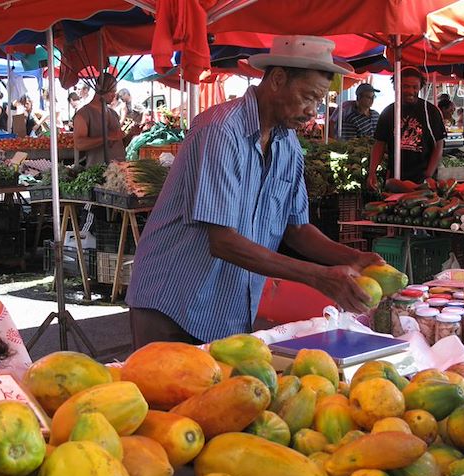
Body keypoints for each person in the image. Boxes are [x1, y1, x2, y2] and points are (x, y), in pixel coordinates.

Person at [126, 35, 384, 348]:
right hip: (172, 301)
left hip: (227, 307)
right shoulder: (220, 130)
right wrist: (318, 276)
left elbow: (298, 228)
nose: (312, 111)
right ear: (277, 80)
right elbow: (223, 242)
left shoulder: (288, 145)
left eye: (317, 101)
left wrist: (354, 258)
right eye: (308, 97)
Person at [367, 67, 446, 187]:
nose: (410, 91)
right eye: (405, 86)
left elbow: (439, 144)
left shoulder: (431, 111)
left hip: (423, 178)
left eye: (414, 87)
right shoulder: (388, 113)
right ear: (396, 86)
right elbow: (379, 144)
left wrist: (429, 174)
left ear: (420, 87)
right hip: (395, 178)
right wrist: (372, 172)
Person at [72, 73, 126, 167]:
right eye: (111, 91)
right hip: (97, 172)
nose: (114, 95)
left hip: (120, 172)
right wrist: (107, 137)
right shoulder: (83, 114)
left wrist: (131, 136)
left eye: (115, 91)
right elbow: (79, 144)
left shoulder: (113, 114)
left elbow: (117, 142)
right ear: (100, 90)